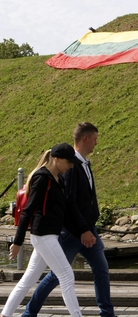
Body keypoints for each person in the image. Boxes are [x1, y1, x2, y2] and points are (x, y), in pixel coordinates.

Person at [22, 123, 116, 317]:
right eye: (95, 139)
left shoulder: (84, 163)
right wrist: (82, 230)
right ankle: (29, 313)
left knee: (101, 269)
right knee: (58, 275)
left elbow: (87, 197)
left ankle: (107, 313)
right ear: (85, 139)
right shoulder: (72, 166)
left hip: (88, 228)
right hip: (74, 232)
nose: (96, 143)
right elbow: (70, 201)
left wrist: (90, 225)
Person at [2, 144, 83, 317]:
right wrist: (17, 242)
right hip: (43, 235)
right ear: (57, 159)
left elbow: (64, 211)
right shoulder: (42, 178)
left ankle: (5, 314)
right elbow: (27, 212)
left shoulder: (59, 179)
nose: (71, 165)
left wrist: (82, 229)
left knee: (28, 280)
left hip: (49, 235)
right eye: (69, 162)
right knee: (67, 275)